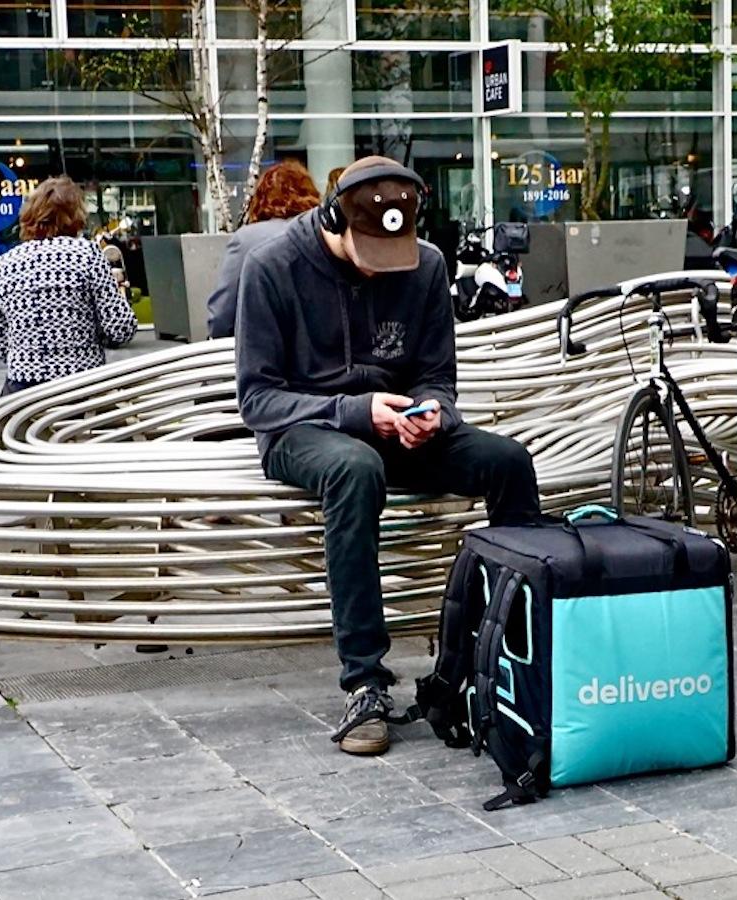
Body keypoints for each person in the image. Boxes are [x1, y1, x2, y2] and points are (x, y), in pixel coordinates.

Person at [235, 156, 539, 756]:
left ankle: (517, 652)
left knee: (508, 461)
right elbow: (259, 399)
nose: (381, 270)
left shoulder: (424, 265)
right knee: (355, 467)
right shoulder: (273, 268)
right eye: (367, 250)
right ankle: (365, 681)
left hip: (396, 429)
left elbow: (437, 376)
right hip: (307, 429)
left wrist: (432, 415)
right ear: (332, 218)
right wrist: (355, 412)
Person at [0, 176, 138, 396]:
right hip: (81, 394)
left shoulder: (3, 265)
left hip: (22, 398)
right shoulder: (88, 255)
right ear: (75, 216)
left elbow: (0, 347)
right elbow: (121, 329)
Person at [205, 160, 321, 339]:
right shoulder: (322, 235)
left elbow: (222, 312)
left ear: (261, 197)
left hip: (263, 350)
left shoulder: (246, 240)